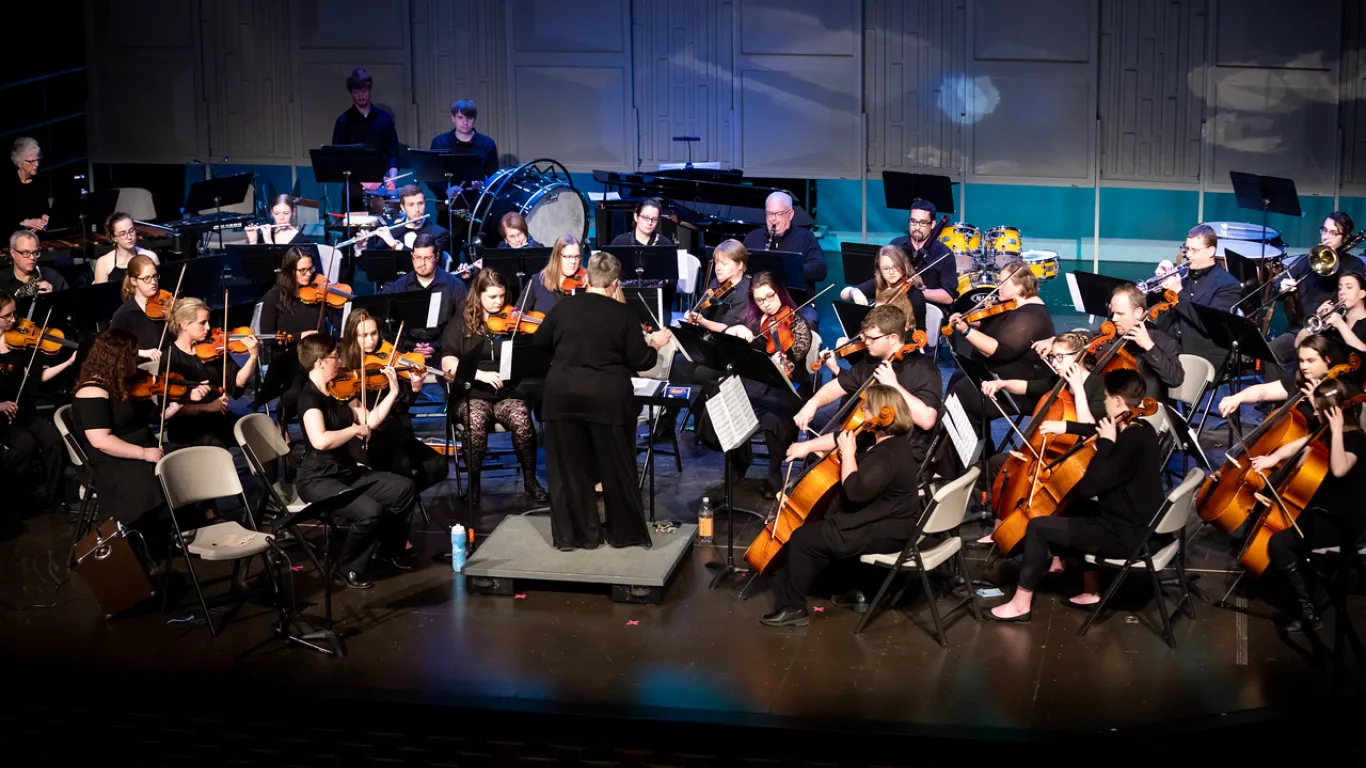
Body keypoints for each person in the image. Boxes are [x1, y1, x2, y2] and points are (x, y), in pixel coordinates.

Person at [988, 368, 1164, 621]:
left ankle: (1020, 604)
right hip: (1142, 525)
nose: (1104, 404)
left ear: (1117, 401)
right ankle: (1091, 589)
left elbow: (1090, 486)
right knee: (1074, 506)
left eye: (1105, 398)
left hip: (1126, 534)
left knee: (1038, 527)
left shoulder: (1126, 441)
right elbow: (1098, 426)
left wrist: (1106, 444)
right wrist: (1067, 425)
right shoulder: (1142, 429)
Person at [535, 250, 672, 550]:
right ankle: (624, 534)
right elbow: (640, 359)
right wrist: (656, 345)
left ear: (586, 278)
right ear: (614, 284)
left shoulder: (562, 308)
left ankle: (574, 536)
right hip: (607, 400)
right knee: (616, 468)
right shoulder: (623, 314)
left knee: (569, 471)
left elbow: (539, 342)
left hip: (562, 398)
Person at [761, 384, 926, 627]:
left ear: (882, 414)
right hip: (888, 520)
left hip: (887, 530)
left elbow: (855, 492)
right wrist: (807, 447)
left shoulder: (886, 456)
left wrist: (848, 455)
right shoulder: (886, 438)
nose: (862, 412)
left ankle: (794, 608)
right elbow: (842, 435)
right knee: (826, 524)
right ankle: (854, 588)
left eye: (865, 408)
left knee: (802, 539)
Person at [295, 334, 417, 589]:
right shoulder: (308, 398)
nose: (340, 360)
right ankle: (347, 567)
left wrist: (393, 391)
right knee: (370, 512)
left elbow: (369, 421)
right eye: (334, 357)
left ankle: (385, 549)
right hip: (318, 477)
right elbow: (320, 440)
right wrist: (352, 431)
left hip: (344, 470)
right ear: (319, 362)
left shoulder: (339, 389)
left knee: (403, 488)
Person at [1250, 377, 1366, 632]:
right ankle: (1308, 584)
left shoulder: (1355, 440)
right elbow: (1300, 444)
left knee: (1278, 543)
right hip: (1323, 508)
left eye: (1317, 409)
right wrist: (1275, 458)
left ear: (1334, 414)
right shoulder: (1324, 430)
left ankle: (1309, 611)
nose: (1313, 413)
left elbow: (1338, 469)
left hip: (1343, 519)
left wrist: (1335, 432)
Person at [69, 329, 213, 535]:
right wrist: (144, 453)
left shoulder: (124, 383)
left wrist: (183, 400)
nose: (136, 360)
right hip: (114, 460)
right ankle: (156, 536)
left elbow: (157, 417)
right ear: (118, 359)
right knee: (153, 485)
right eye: (133, 355)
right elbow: (101, 440)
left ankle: (186, 527)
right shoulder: (91, 391)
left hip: (146, 448)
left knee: (193, 460)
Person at [439, 269, 548, 507]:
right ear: (478, 296)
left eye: (501, 296)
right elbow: (448, 363)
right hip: (471, 393)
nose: (499, 302)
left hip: (505, 394)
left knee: (521, 417)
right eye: (492, 297)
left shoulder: (513, 322)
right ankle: (474, 485)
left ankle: (530, 481)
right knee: (475, 419)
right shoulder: (461, 324)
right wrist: (480, 374)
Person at [699, 272, 814, 497]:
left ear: (780, 293)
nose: (767, 305)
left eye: (770, 297)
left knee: (773, 418)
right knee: (729, 403)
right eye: (760, 300)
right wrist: (735, 332)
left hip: (788, 388)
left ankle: (774, 473)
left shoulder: (798, 324)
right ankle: (737, 463)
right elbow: (730, 338)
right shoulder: (751, 318)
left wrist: (783, 361)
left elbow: (797, 354)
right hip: (756, 384)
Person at [791, 305, 941, 468]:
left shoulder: (924, 369)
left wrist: (893, 385)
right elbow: (839, 385)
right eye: (865, 336)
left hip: (902, 455)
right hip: (870, 442)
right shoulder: (872, 361)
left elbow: (927, 420)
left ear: (891, 338)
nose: (865, 342)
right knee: (816, 458)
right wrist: (812, 403)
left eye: (872, 338)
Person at [339, 309, 448, 495]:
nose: (371, 340)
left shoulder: (387, 353)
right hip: (368, 437)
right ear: (352, 337)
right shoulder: (345, 364)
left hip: (397, 430)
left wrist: (415, 388)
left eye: (374, 334)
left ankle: (404, 498)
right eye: (363, 336)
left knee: (438, 466)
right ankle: (398, 500)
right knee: (402, 466)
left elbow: (403, 406)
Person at [943, 259, 1055, 436]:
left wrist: (966, 331)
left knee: (960, 395)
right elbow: (997, 327)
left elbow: (999, 350)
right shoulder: (1015, 305)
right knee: (958, 377)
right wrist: (970, 321)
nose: (998, 287)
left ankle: (968, 454)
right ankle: (970, 452)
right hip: (998, 375)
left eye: (1003, 283)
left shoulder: (1030, 316)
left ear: (1019, 287)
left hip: (1016, 390)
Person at [1032, 283, 1185, 398]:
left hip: (1142, 411)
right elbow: (1088, 337)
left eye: (1120, 313)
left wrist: (1149, 346)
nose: (1114, 319)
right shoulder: (1112, 331)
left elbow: (1175, 378)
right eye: (1113, 313)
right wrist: (1054, 341)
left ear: (1138, 313)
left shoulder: (1163, 340)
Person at [0, 289, 75, 510]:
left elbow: (39, 376)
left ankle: (51, 497)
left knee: (53, 439)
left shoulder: (21, 342)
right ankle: (14, 493)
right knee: (26, 445)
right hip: (2, 413)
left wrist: (68, 363)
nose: (14, 320)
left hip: (23, 408)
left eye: (15, 314)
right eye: (7, 316)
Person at [1268, 212, 1366, 379]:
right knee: (1273, 349)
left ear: (1345, 237)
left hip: (1332, 332)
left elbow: (1353, 296)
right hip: (1303, 328)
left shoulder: (1354, 264)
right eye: (1324, 230)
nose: (1326, 237)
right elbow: (1279, 282)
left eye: (1334, 233)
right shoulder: (1308, 259)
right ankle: (1273, 402)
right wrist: (1282, 285)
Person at [255, 247, 336, 433]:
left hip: (318, 359)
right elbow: (267, 336)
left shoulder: (319, 293)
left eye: (311, 269)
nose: (308, 274)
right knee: (294, 395)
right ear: (290, 270)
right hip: (289, 360)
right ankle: (285, 430)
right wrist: (300, 336)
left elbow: (335, 325)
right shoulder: (273, 297)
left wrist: (337, 300)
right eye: (303, 271)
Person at [163, 297, 259, 449]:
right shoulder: (170, 358)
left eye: (208, 322)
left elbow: (237, 381)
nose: (208, 327)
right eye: (202, 323)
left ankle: (264, 473)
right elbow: (171, 408)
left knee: (258, 435)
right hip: (188, 426)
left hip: (217, 417)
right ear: (184, 325)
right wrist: (207, 407)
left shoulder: (214, 350)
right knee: (216, 446)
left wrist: (253, 357)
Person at [1153, 224, 1242, 374]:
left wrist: (1178, 291)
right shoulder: (1181, 275)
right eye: (1187, 249)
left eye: (1194, 250)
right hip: (1168, 347)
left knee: (1148, 375)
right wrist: (1159, 282)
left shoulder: (1229, 285)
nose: (1188, 254)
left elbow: (1210, 324)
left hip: (1199, 357)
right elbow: (1150, 304)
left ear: (1211, 251)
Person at [742, 191, 826, 326]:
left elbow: (820, 268)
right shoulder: (753, 237)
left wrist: (790, 270)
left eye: (779, 214)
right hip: (761, 303)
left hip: (796, 302)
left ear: (790, 214)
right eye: (770, 214)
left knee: (809, 320)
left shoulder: (805, 237)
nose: (773, 219)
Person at [383, 233, 468, 359]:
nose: (422, 263)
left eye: (427, 258)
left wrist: (435, 346)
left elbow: (462, 324)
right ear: (412, 256)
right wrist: (412, 347)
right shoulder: (400, 286)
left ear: (437, 257)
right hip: (407, 351)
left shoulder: (455, 286)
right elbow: (392, 326)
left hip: (445, 350)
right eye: (417, 257)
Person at [331, 68, 400, 200]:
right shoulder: (343, 121)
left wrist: (393, 179)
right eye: (356, 93)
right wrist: (364, 182)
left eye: (364, 91)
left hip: (380, 185)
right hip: (353, 189)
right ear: (351, 93)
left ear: (370, 90)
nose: (361, 96)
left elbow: (393, 153)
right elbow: (339, 158)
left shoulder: (384, 118)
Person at [888, 199, 957, 327]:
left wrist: (915, 292)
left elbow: (949, 296)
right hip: (895, 306)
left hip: (928, 310)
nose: (917, 227)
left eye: (923, 223)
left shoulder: (944, 253)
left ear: (933, 224)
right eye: (913, 222)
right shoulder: (895, 245)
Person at [835, 244, 916, 337]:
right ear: (879, 270)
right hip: (879, 337)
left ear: (903, 265)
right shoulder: (880, 283)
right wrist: (854, 292)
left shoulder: (914, 294)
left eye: (895, 266)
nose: (891, 272)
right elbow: (843, 294)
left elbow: (904, 330)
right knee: (842, 341)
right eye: (885, 268)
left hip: (902, 340)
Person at [429, 99, 499, 202]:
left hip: (477, 203)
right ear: (453, 118)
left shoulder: (487, 144)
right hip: (447, 204)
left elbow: (493, 176)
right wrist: (446, 190)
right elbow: (432, 176)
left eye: (469, 118)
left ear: (474, 119)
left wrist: (482, 183)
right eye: (460, 117)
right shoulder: (440, 142)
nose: (465, 122)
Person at [1297, 270, 1366, 366]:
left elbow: (1363, 353)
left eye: (1349, 287)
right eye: (1340, 288)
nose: (1342, 292)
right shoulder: (1334, 322)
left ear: (1362, 293)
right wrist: (1318, 320)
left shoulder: (1339, 322)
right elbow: (1297, 343)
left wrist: (1341, 325)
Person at [360, 184, 450, 257]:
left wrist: (395, 245)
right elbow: (373, 267)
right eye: (411, 205)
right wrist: (360, 248)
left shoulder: (439, 234)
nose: (417, 209)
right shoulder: (391, 232)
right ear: (402, 208)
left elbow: (424, 264)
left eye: (420, 203)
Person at [109, 254, 168, 361]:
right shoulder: (124, 314)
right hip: (140, 369)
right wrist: (140, 352)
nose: (153, 282)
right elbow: (113, 348)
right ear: (134, 281)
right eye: (147, 278)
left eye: (155, 276)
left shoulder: (166, 304)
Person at [519, 236, 583, 314]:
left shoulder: (584, 282)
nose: (573, 261)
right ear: (557, 257)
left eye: (577, 256)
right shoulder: (538, 281)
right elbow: (519, 311)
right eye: (568, 257)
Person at [93, 212, 160, 285]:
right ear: (113, 238)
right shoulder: (103, 263)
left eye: (131, 231)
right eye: (122, 234)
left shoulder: (150, 257)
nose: (129, 237)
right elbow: (101, 295)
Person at [1, 229, 67, 296]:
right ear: (13, 253)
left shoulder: (53, 277)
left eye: (35, 252)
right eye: (26, 252)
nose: (32, 258)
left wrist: (51, 297)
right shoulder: (2, 280)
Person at [3, 137, 49, 232]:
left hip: (37, 236)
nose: (36, 164)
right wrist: (25, 223)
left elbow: (47, 205)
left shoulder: (42, 180)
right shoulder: (6, 183)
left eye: (38, 160)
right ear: (19, 163)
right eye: (32, 161)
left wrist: (46, 216)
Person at [245, 195, 313, 246]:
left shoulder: (302, 241)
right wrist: (253, 241)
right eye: (276, 213)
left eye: (286, 213)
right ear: (272, 212)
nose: (281, 218)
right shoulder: (263, 236)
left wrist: (268, 241)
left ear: (293, 212)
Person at [610, 198, 674, 247]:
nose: (650, 223)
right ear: (636, 216)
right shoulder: (620, 242)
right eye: (646, 218)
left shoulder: (665, 244)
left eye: (654, 219)